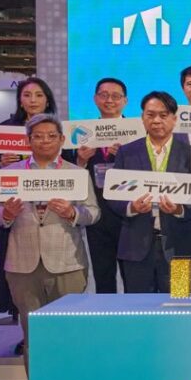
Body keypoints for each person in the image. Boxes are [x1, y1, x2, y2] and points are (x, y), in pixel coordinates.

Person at [0, 114, 100, 380]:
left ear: (62, 140)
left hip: (67, 263)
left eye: (51, 136)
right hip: (22, 265)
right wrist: (6, 214)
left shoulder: (77, 174)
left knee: (68, 334)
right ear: (28, 141)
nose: (45, 141)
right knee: (33, 335)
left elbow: (93, 213)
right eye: (38, 136)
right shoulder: (8, 173)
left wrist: (73, 213)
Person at [109, 91, 191, 293]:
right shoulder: (127, 152)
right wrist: (131, 207)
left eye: (163, 115)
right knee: (138, 306)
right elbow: (114, 196)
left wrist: (180, 209)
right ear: (142, 117)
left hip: (179, 246)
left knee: (179, 306)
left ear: (174, 119)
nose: (156, 121)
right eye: (150, 115)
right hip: (136, 247)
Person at [0, 78, 60, 331]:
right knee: (24, 288)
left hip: (53, 216)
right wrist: (0, 164)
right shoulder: (5, 129)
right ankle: (29, 337)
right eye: (27, 95)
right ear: (19, 100)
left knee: (177, 293)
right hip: (19, 213)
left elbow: (71, 168)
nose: (33, 100)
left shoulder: (59, 127)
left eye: (39, 95)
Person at [73, 77, 128, 293]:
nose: (109, 100)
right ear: (95, 99)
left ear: (125, 101)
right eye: (104, 95)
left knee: (132, 276)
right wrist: (81, 161)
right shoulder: (81, 133)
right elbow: (73, 176)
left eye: (115, 96)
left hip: (128, 215)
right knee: (103, 276)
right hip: (97, 214)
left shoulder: (137, 133)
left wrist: (125, 157)